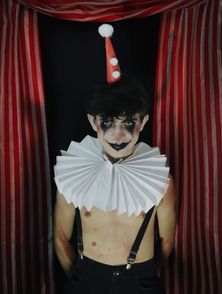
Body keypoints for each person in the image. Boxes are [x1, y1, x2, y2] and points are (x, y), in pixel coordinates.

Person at [53, 75, 176, 294]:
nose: (117, 135)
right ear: (93, 122)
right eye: (107, 122)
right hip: (87, 278)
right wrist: (81, 278)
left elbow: (166, 243)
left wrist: (144, 277)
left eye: (128, 122)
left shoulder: (161, 179)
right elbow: (61, 236)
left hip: (140, 280)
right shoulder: (72, 173)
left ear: (143, 122)